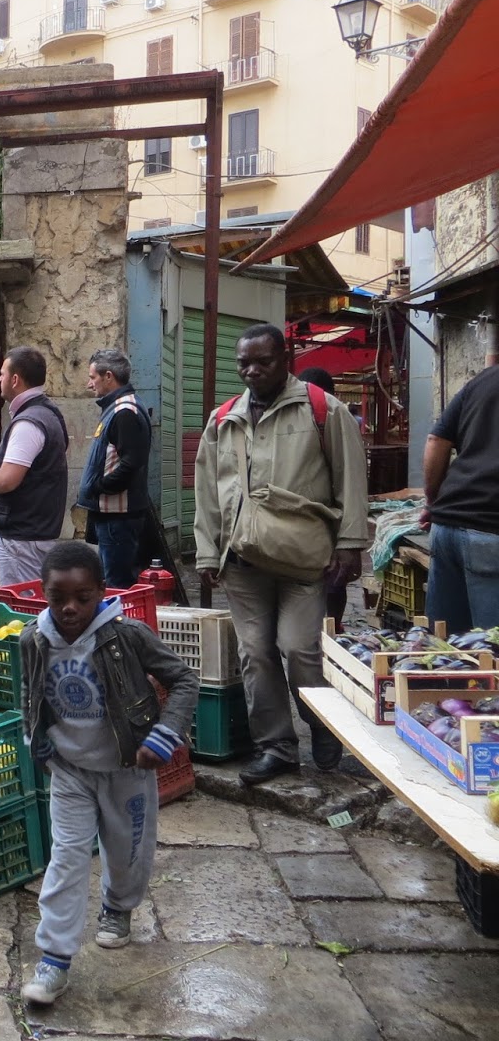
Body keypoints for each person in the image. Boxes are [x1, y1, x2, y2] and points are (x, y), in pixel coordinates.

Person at [19, 542, 198, 1006]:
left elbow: (183, 680)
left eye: (82, 597)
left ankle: (118, 907)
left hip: (126, 769)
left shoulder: (128, 635)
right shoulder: (32, 639)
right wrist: (33, 733)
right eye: (58, 598)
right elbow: (29, 689)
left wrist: (165, 734)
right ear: (44, 593)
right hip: (71, 771)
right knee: (66, 859)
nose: (70, 608)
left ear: (101, 591)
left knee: (128, 856)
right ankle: (54, 960)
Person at [194, 323, 368, 785]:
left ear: (285, 357)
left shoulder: (321, 409)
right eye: (243, 363)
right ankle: (277, 747)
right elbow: (208, 492)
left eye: (262, 361)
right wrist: (208, 552)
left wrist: (350, 544)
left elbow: (351, 477)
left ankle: (322, 724)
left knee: (298, 647)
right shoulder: (223, 419)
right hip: (242, 559)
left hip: (301, 557)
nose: (251, 371)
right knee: (255, 653)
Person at [0, 346, 69, 586]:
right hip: (32, 534)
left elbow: (7, 480)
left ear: (15, 380)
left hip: (20, 539)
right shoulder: (48, 414)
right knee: (35, 607)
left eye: (2, 373)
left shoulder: (29, 423)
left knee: (21, 611)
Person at [421, 364, 499, 634]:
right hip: (489, 532)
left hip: (446, 527)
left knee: (445, 646)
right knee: (492, 653)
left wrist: (432, 502)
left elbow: (435, 440)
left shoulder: (484, 379)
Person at [76, 348, 151, 589]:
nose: (90, 384)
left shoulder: (124, 411)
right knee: (111, 581)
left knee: (118, 586)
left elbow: (131, 463)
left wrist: (99, 487)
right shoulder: (117, 408)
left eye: (93, 377)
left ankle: (123, 628)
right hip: (111, 517)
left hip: (118, 518)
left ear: (109, 376)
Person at [296, 368, 349, 627]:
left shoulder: (335, 417)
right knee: (330, 581)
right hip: (315, 519)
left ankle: (330, 627)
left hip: (324, 517)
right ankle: (331, 627)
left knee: (332, 580)